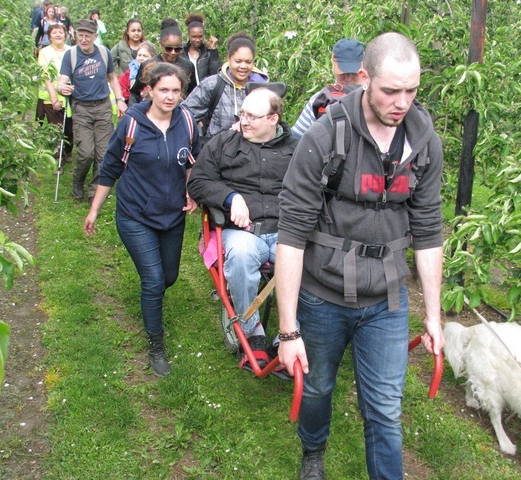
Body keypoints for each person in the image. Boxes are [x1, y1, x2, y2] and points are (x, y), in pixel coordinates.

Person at [275, 32, 445, 480]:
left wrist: (434, 315)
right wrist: (289, 330)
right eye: (391, 90)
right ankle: (313, 450)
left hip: (386, 298)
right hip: (323, 294)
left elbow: (428, 231)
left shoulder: (423, 144)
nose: (402, 102)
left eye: (412, 90)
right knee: (318, 388)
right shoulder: (323, 137)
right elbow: (291, 235)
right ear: (364, 79)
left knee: (385, 409)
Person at [84, 62, 200, 377]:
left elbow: (191, 161)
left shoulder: (187, 121)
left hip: (172, 215)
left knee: (169, 277)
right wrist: (95, 209)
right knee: (153, 280)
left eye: (176, 90)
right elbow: (110, 168)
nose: (170, 96)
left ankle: (153, 301)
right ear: (149, 90)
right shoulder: (132, 125)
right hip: (135, 215)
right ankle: (156, 343)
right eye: (164, 89)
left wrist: (191, 192)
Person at [187, 88, 298, 370]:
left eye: (252, 116)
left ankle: (290, 333)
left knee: (313, 259)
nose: (243, 121)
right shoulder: (224, 143)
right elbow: (197, 182)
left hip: (286, 230)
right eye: (242, 114)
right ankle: (252, 332)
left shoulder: (296, 148)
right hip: (244, 231)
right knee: (241, 255)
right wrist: (230, 197)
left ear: (273, 119)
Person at [57, 18, 127, 203]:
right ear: (75, 35)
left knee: (103, 154)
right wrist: (61, 88)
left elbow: (113, 78)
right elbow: (62, 81)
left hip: (103, 107)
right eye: (80, 35)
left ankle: (94, 190)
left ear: (95, 36)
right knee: (86, 152)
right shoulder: (70, 55)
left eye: (88, 35)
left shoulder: (104, 53)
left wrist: (120, 100)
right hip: (81, 108)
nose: (84, 39)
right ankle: (77, 180)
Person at [183, 32, 268, 138]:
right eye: (238, 61)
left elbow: (274, 124)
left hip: (253, 151)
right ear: (229, 60)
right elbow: (184, 115)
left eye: (248, 62)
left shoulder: (263, 90)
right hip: (218, 150)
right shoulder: (212, 85)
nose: (243, 66)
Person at [291, 38, 364, 138]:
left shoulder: (377, 96)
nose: (348, 78)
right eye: (343, 73)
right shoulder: (320, 99)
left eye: (353, 73)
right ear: (333, 65)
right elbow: (295, 141)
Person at [129, 23, 196, 105]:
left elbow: (193, 94)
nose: (173, 52)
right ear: (161, 45)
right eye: (168, 48)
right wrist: (133, 113)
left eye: (177, 49)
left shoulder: (188, 66)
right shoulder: (148, 65)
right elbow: (135, 93)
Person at [36, 23, 73, 159]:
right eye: (54, 32)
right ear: (50, 36)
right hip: (51, 97)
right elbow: (47, 77)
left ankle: (68, 150)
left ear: (65, 35)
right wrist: (54, 99)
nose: (58, 35)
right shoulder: (44, 52)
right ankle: (58, 157)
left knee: (69, 128)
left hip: (70, 96)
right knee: (56, 129)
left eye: (61, 32)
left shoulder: (72, 50)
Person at [183, 13, 221, 86]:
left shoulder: (208, 51)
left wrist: (214, 51)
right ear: (188, 35)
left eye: (200, 36)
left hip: (207, 93)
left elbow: (217, 74)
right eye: (194, 37)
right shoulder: (181, 52)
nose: (197, 40)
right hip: (188, 95)